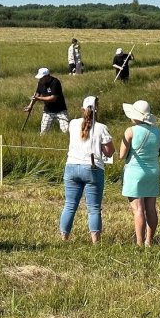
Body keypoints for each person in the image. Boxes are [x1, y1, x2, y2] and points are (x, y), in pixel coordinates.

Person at [60, 96, 115, 243]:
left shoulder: (73, 124)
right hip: (92, 167)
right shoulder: (101, 128)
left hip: (71, 165)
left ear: (82, 109)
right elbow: (109, 151)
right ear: (97, 110)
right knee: (94, 208)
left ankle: (64, 237)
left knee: (70, 205)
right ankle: (95, 241)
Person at [119, 100, 160, 246]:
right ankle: (149, 240)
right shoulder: (157, 131)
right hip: (153, 171)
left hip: (135, 172)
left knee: (138, 209)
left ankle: (139, 242)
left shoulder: (130, 131)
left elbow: (122, 155)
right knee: (151, 208)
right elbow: (158, 151)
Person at [26, 67, 69, 133]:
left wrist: (39, 98)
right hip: (48, 111)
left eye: (41, 77)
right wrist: (30, 105)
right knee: (44, 131)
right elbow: (37, 94)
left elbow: (53, 98)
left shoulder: (55, 82)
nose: (40, 79)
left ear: (47, 76)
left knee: (66, 130)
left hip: (60, 110)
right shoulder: (40, 82)